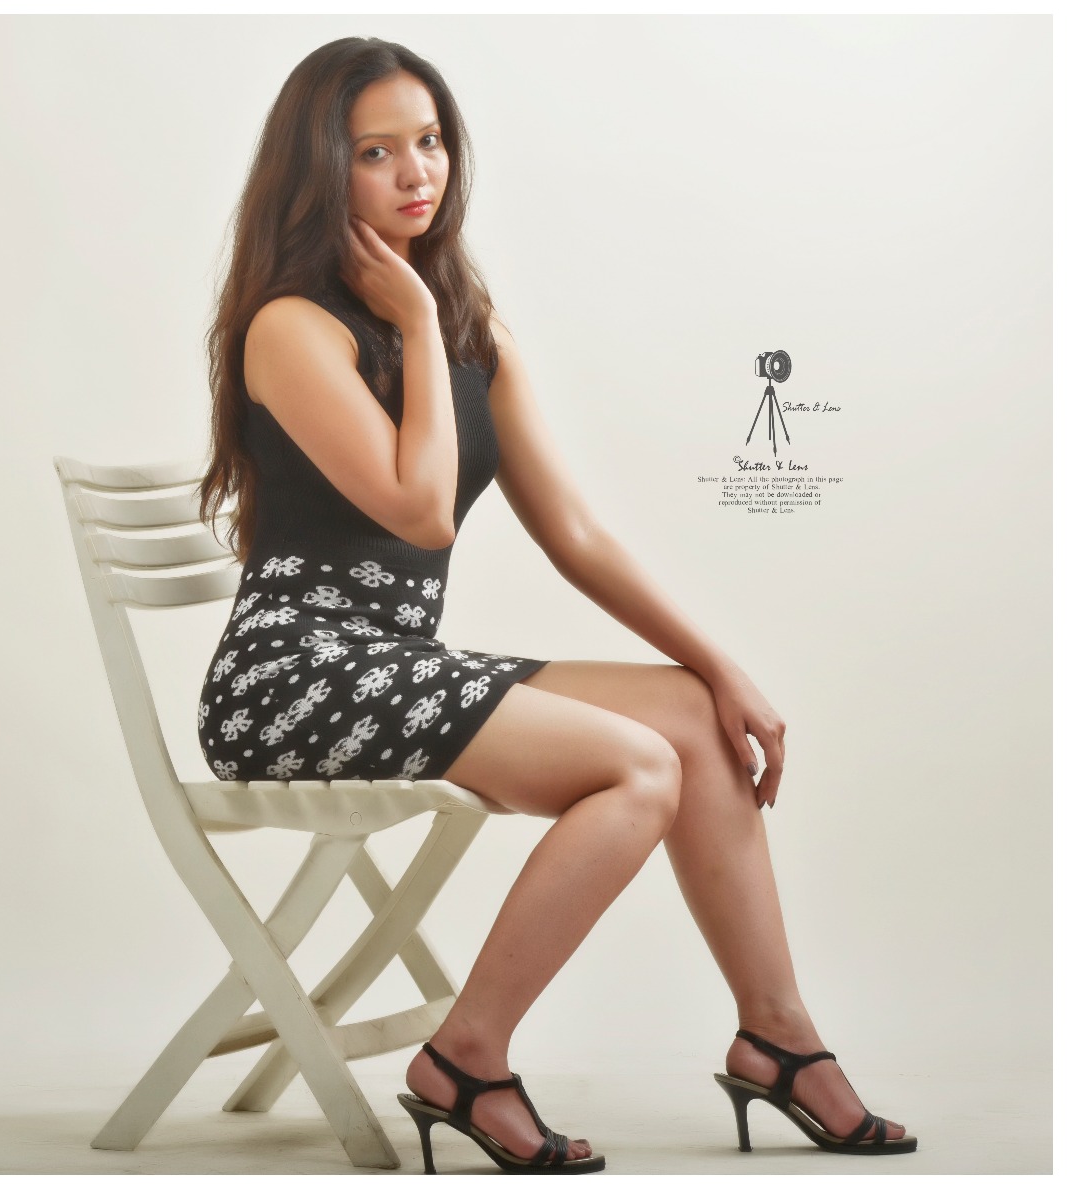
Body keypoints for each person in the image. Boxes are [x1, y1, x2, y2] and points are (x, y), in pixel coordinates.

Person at [196, 35, 915, 1175]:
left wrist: (722, 666)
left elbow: (573, 533)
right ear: (320, 170)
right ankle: (465, 1058)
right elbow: (421, 510)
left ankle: (777, 1037)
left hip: (393, 665)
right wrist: (415, 325)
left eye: (429, 141)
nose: (415, 173)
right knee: (637, 769)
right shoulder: (293, 327)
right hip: (291, 680)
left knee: (692, 717)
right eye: (375, 152)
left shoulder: (468, 325)